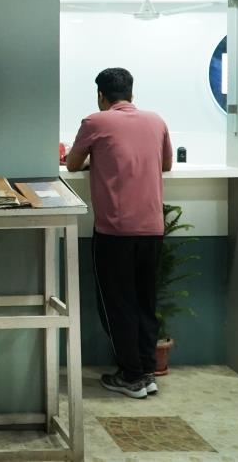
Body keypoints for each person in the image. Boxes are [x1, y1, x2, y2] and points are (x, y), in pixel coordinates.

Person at [66, 67, 172, 399]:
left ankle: (131, 376)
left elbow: (71, 164)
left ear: (101, 96)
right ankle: (147, 372)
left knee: (117, 303)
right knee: (145, 301)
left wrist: (95, 161)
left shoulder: (95, 122)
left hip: (115, 230)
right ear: (131, 93)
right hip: (152, 227)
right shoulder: (156, 121)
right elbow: (166, 165)